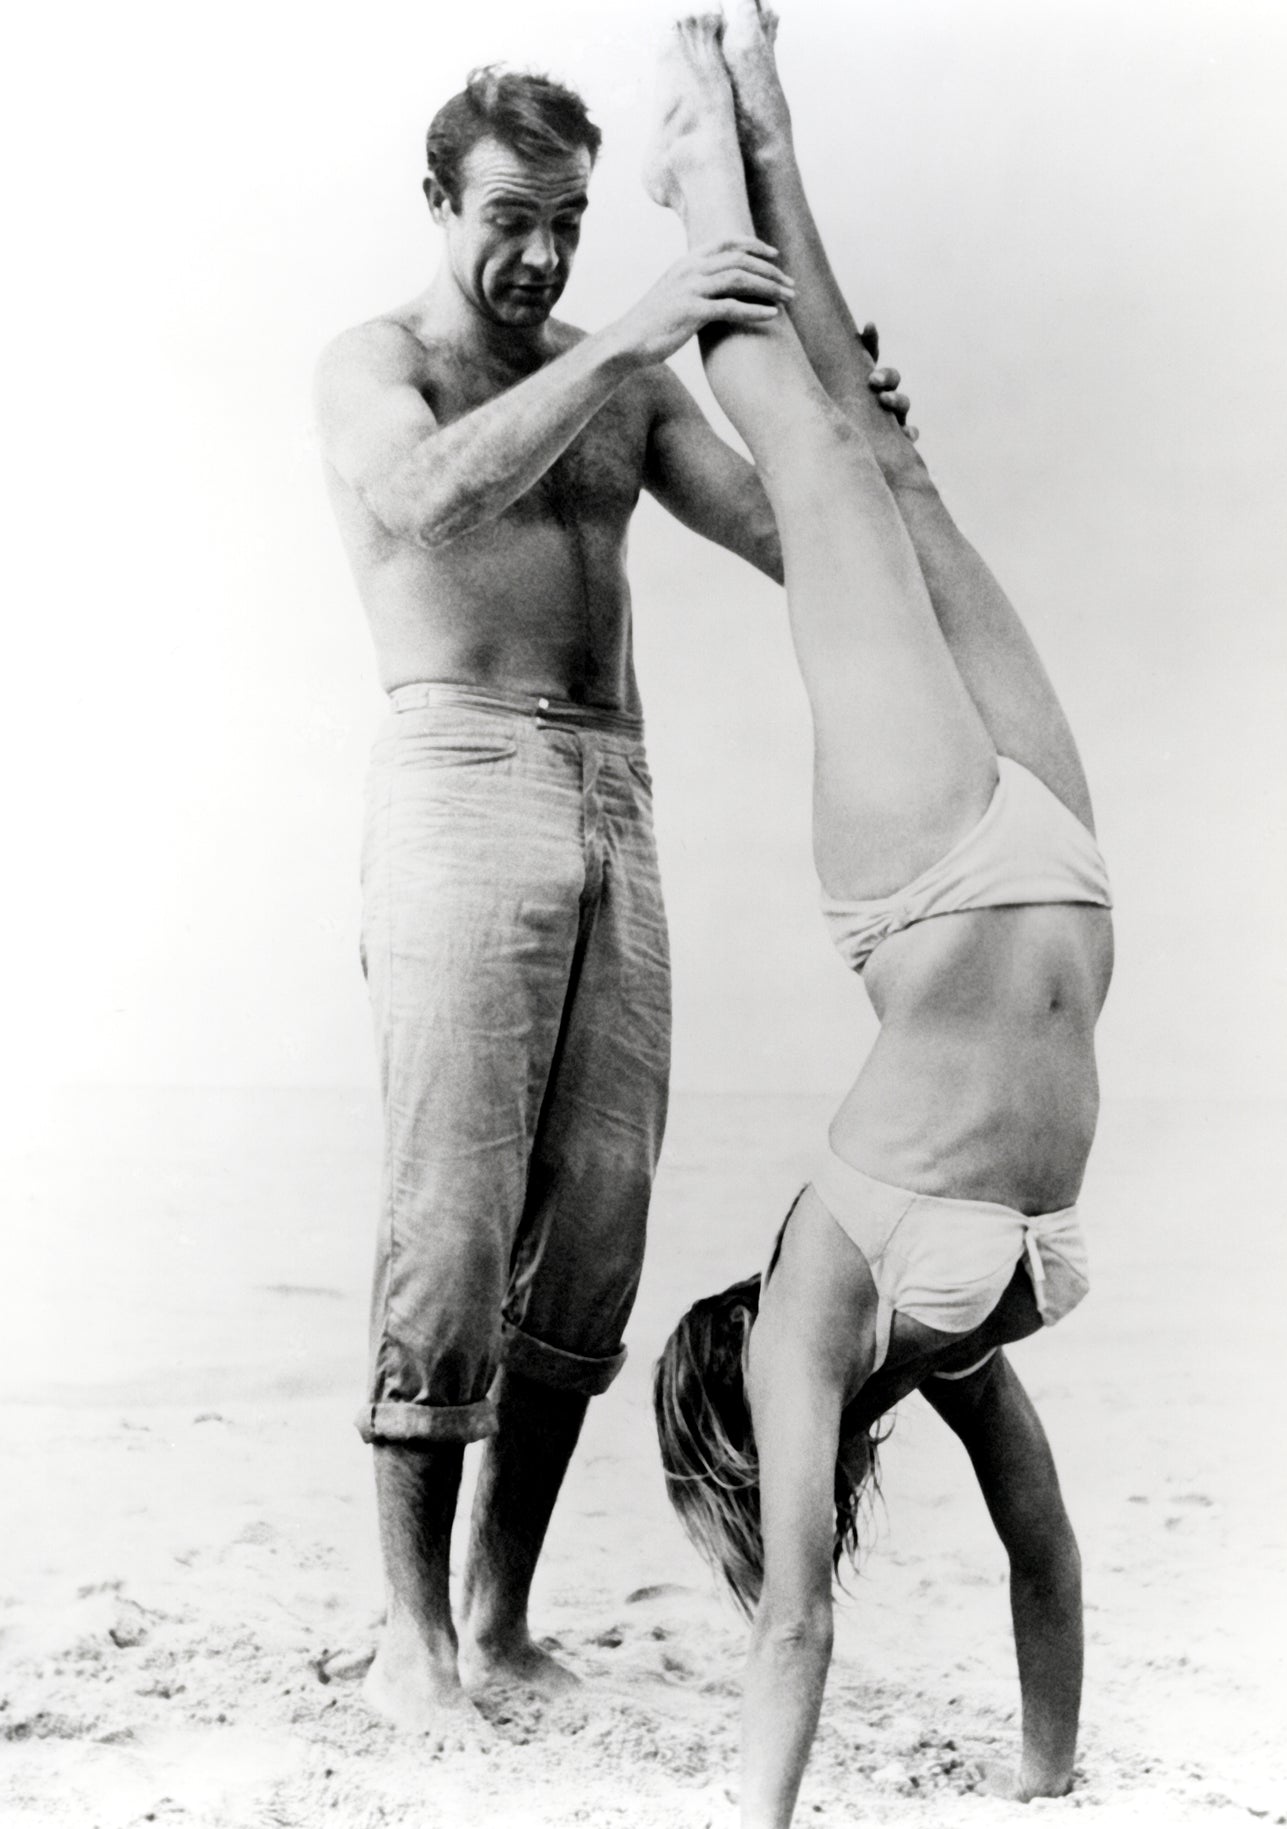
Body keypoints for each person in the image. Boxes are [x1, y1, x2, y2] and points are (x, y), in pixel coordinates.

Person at [314, 63, 910, 1737]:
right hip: (460, 774)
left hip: (615, 787)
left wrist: (861, 437)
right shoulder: (379, 363)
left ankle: (499, 1619)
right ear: (439, 202)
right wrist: (636, 330)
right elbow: (423, 499)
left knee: (592, 1227)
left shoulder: (619, 385)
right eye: (512, 219)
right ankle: (411, 1640)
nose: (542, 256)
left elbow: (787, 535)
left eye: (569, 223)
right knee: (450, 1220)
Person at [649, 8, 1114, 1822]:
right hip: (1051, 864)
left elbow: (792, 1625)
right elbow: (1041, 1545)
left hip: (925, 881)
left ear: (736, 1397)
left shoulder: (801, 1329)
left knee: (823, 460)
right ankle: (761, 119)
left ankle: (709, 155)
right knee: (893, 468)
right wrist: (1044, 1791)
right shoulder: (940, 1346)